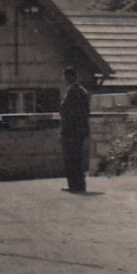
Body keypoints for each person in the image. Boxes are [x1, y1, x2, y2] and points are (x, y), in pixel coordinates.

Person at [59, 65, 90, 193]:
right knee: (78, 158)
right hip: (80, 130)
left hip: (71, 131)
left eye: (65, 77)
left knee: (71, 159)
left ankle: (74, 185)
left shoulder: (72, 92)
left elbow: (68, 112)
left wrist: (64, 131)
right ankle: (80, 185)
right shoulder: (83, 91)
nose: (64, 79)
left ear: (69, 77)